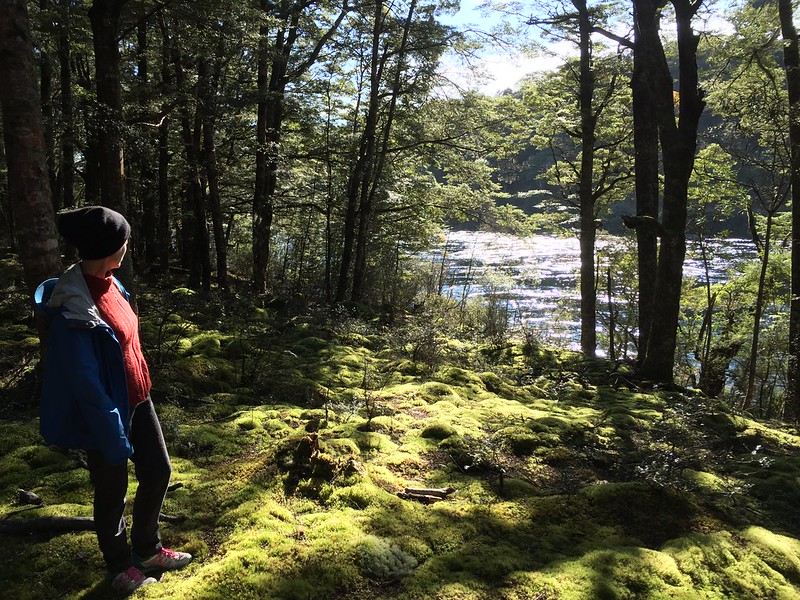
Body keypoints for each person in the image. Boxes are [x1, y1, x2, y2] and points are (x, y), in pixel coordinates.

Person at [34, 206, 192, 595]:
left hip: (139, 399)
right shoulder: (73, 308)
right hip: (105, 411)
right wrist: (111, 432)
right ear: (108, 248)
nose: (127, 247)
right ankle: (120, 565)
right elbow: (85, 382)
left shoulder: (113, 284)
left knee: (158, 472)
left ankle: (148, 549)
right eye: (123, 241)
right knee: (111, 494)